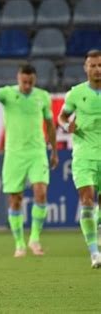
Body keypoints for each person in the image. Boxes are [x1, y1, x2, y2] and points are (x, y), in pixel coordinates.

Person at [0, 64, 58, 257]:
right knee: (15, 199)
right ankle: (19, 243)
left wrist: (53, 151)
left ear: (35, 80)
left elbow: (50, 125)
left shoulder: (43, 96)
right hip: (14, 153)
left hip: (37, 151)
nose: (27, 85)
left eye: (30, 82)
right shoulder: (7, 93)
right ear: (18, 78)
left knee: (41, 192)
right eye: (24, 81)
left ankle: (35, 239)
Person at [58, 49, 101, 269]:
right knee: (87, 198)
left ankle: (98, 229)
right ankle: (94, 252)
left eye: (100, 65)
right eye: (92, 65)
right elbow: (62, 116)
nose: (97, 69)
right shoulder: (75, 94)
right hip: (84, 155)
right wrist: (67, 126)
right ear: (86, 68)